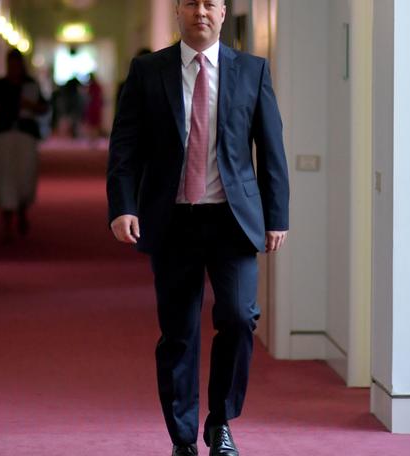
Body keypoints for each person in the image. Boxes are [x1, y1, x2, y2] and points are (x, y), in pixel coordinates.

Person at [107, 1, 289, 455]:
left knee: (239, 317)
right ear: (178, 12)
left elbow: (270, 149)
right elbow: (125, 148)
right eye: (191, 2)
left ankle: (221, 420)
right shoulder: (149, 71)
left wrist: (276, 215)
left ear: (224, 12)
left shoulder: (251, 71)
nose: (201, 11)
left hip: (233, 219)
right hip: (173, 220)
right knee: (178, 333)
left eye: (210, 3)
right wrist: (122, 207)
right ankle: (183, 438)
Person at [0, 49, 48, 242]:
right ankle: (7, 222)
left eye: (17, 64)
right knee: (5, 176)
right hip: (3, 134)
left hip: (26, 133)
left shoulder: (31, 84)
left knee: (25, 175)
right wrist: (4, 104)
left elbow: (44, 107)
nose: (14, 68)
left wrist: (28, 105)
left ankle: (22, 210)